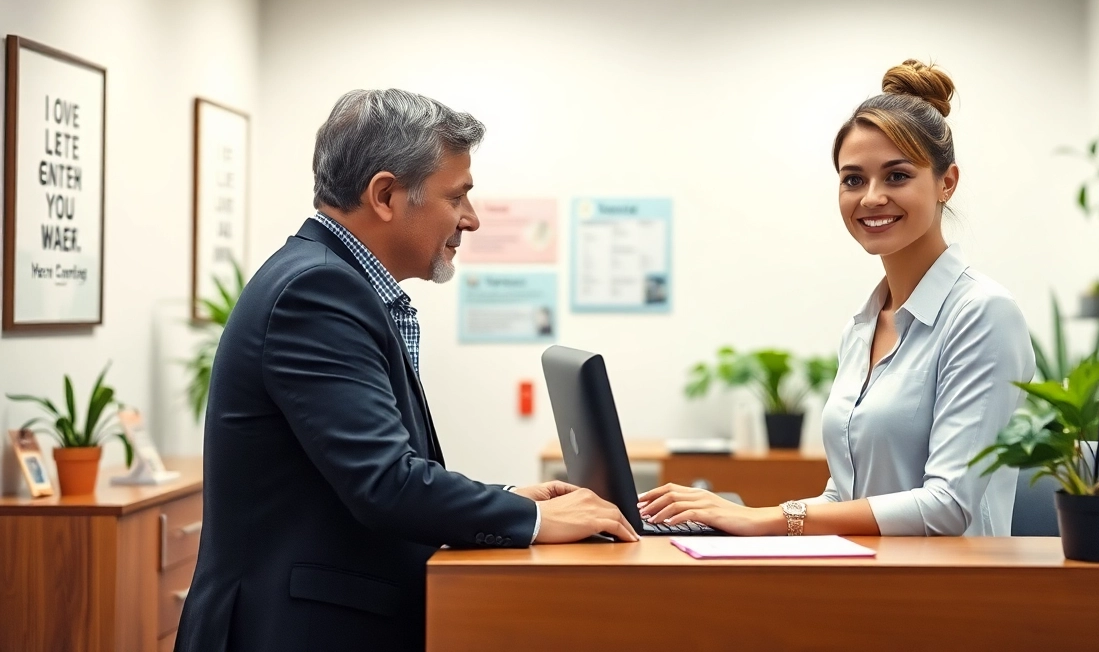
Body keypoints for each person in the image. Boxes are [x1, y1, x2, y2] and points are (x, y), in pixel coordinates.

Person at [176, 89, 637, 652]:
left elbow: (374, 471)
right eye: (458, 196)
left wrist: (512, 496)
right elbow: (385, 482)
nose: (470, 219)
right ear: (387, 195)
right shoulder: (316, 291)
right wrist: (531, 520)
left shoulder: (333, 281)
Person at [639, 60, 1033, 538]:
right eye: (853, 179)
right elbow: (844, 497)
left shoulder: (982, 314)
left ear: (946, 182)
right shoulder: (863, 326)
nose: (870, 198)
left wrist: (764, 518)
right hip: (863, 579)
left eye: (896, 176)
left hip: (947, 594)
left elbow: (947, 506)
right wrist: (736, 519)